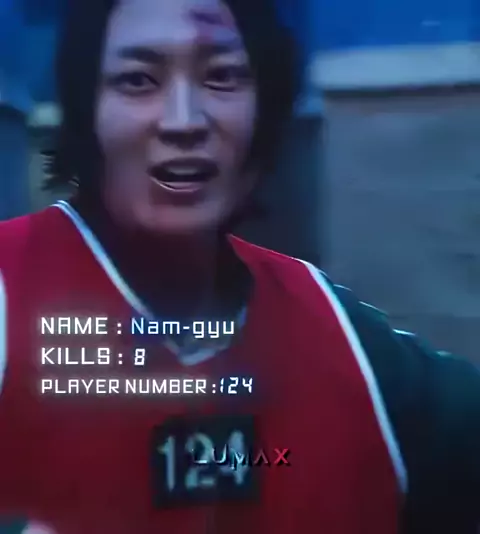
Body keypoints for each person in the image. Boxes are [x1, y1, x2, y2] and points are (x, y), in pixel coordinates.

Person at [0, 0, 478, 532]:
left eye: (222, 77)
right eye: (137, 81)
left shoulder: (343, 337)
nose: (183, 121)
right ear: (85, 108)